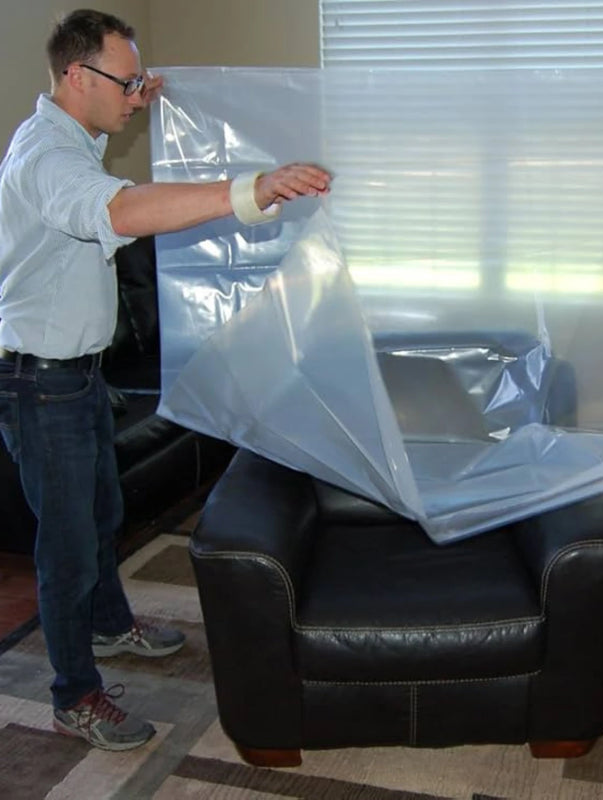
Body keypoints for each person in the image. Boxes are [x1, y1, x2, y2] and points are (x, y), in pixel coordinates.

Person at [0, 9, 331, 751]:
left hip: (76, 377)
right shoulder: (45, 160)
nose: (134, 95)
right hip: (37, 384)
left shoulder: (74, 140)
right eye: (124, 81)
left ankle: (112, 626)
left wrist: (135, 95)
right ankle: (72, 693)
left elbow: (107, 177)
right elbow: (121, 210)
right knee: (65, 546)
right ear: (77, 77)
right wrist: (252, 189)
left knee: (101, 515)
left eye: (137, 81)